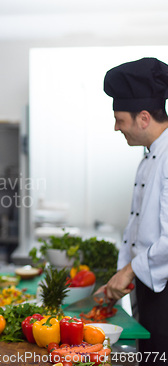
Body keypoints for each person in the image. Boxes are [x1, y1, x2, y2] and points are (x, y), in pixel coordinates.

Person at [101, 57, 168, 363]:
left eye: (120, 119)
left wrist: (129, 270)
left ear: (143, 118)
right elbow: (137, 226)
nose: (116, 127)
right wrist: (123, 272)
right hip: (148, 284)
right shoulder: (150, 155)